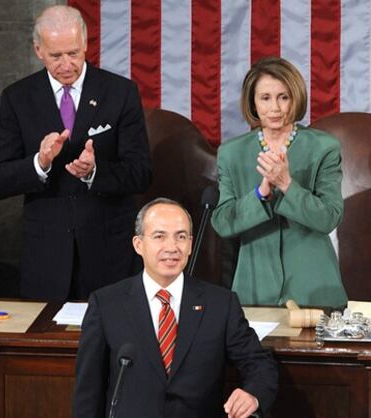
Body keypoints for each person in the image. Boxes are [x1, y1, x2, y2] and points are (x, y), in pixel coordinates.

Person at [0, 6, 151, 301]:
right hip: (46, 257)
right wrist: (40, 163)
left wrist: (95, 172)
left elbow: (141, 173)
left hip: (108, 255)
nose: (66, 64)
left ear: (86, 44)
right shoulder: (17, 98)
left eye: (73, 53)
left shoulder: (120, 92)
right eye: (56, 55)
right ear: (38, 50)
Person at [74, 198, 277, 418]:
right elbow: (88, 392)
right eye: (159, 236)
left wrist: (252, 394)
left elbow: (258, 363)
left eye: (181, 237)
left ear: (190, 244)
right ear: (138, 244)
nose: (171, 247)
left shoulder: (220, 303)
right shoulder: (107, 304)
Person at [211, 56, 347, 308]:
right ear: (252, 101)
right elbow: (222, 222)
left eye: (283, 97)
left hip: (314, 287)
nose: (274, 107)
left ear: (295, 98)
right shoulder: (231, 153)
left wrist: (286, 184)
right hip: (255, 287)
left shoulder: (323, 148)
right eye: (265, 98)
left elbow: (329, 217)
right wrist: (261, 193)